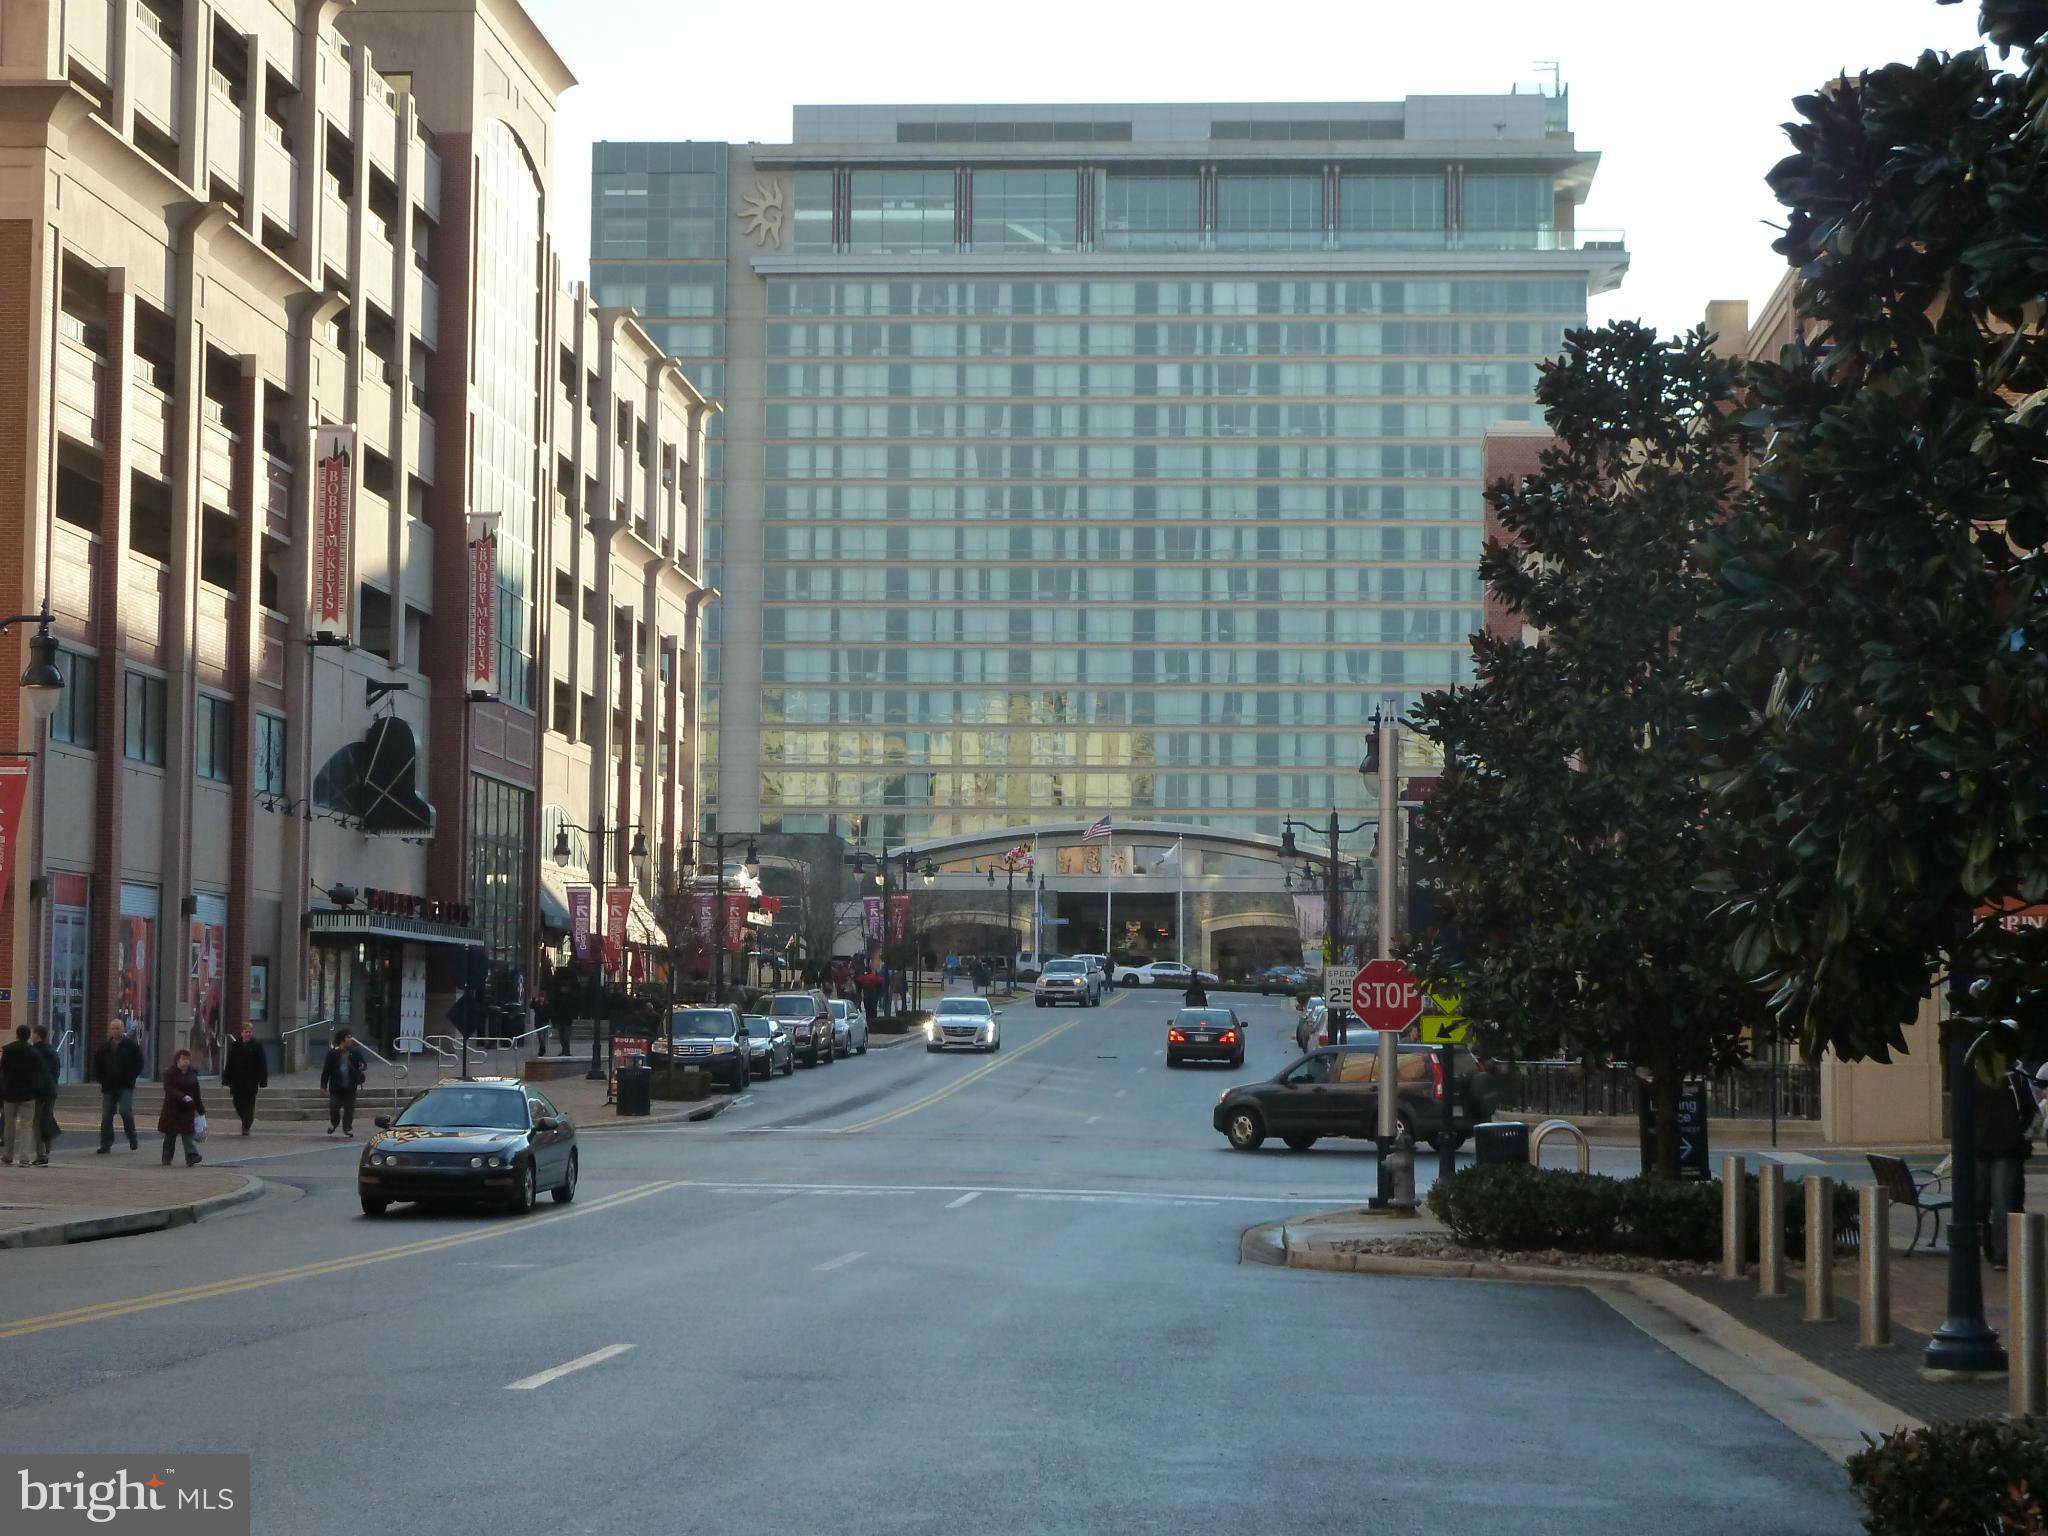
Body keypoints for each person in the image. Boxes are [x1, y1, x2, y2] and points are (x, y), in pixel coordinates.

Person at [1978, 1060, 2038, 1268]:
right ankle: (1993, 1246)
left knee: (2003, 1202)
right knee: (1980, 1203)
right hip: (1981, 1149)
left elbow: (2031, 1112)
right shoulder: (1975, 1073)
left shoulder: (2017, 1076)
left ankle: (2002, 1253)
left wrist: (2017, 1136)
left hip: (2006, 1151)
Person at [1, 1024, 54, 1165]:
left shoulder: (7, 1050)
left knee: (9, 1125)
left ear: (17, 1035)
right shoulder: (33, 1053)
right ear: (28, 1036)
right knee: (26, 1126)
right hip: (28, 1094)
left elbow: (3, 1072)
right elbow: (38, 1073)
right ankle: (24, 1157)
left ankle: (8, 1155)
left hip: (10, 1093)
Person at [93, 1017, 144, 1153]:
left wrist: (131, 1077)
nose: (115, 1031)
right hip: (109, 1086)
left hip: (125, 1085)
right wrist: (101, 1079)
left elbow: (139, 1063)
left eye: (118, 1028)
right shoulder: (104, 1048)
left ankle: (132, 1137)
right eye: (113, 1028)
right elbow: (97, 1066)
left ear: (123, 1029)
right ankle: (106, 1143)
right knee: (106, 1115)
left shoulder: (131, 1046)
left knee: (125, 1110)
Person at [158, 1047, 204, 1167]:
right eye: (183, 1059)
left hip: (187, 1109)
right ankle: (166, 1157)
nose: (186, 1062)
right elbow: (169, 1088)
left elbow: (196, 1091)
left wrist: (200, 1109)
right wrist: (182, 1096)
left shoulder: (192, 1073)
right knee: (170, 1135)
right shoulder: (170, 1073)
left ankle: (191, 1156)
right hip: (172, 1109)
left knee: (188, 1134)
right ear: (177, 1060)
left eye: (188, 1059)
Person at [221, 1023, 268, 1136]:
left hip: (251, 1080)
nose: (248, 1034)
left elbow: (262, 1064)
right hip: (237, 1081)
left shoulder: (257, 1046)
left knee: (249, 1104)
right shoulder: (235, 1045)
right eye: (246, 1032)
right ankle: (245, 1119)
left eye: (249, 1032)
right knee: (237, 1103)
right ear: (242, 1033)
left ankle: (246, 1125)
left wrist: (263, 1080)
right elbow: (229, 1063)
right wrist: (226, 1079)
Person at [320, 1029, 368, 1137]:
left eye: (350, 1037)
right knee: (334, 1106)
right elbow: (326, 1070)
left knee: (349, 1108)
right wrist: (323, 1085)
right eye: (348, 1037)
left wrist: (362, 1065)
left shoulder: (355, 1052)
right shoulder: (333, 1053)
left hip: (350, 1086)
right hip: (336, 1086)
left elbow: (363, 1064)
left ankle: (347, 1128)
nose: (350, 1039)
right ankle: (334, 1123)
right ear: (342, 1040)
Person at [30, 1025, 61, 1156]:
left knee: (36, 1120)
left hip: (37, 1090)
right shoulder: (52, 1051)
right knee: (47, 1117)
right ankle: (48, 1145)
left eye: (33, 1033)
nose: (31, 1036)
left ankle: (40, 1150)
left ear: (37, 1035)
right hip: (51, 1089)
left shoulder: (33, 1052)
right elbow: (57, 1071)